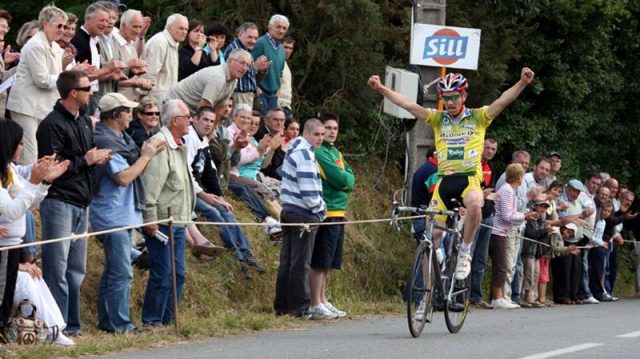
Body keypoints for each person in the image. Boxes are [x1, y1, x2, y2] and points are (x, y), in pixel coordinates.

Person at [368, 67, 536, 280]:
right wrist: (382, 88)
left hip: (468, 180)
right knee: (432, 239)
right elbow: (408, 104)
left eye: (454, 97)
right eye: (445, 98)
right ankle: (425, 298)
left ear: (464, 96)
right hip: (444, 182)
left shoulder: (478, 117)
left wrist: (522, 82)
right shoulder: (438, 119)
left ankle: (465, 251)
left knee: (476, 202)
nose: (449, 102)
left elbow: (502, 101)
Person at [36, 70, 112, 337]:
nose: (91, 91)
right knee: (56, 267)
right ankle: (56, 327)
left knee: (76, 269)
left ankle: (72, 326)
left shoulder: (82, 121)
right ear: (73, 93)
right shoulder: (51, 124)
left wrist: (93, 160)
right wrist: (86, 161)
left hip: (82, 201)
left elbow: (83, 158)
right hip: (59, 200)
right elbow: (51, 168)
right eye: (86, 87)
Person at [91, 93, 166, 333]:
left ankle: (109, 322)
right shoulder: (106, 140)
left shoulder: (121, 138)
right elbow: (123, 177)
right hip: (113, 215)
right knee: (122, 272)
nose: (131, 115)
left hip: (121, 213)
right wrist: (146, 156)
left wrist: (146, 155)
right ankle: (120, 324)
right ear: (114, 115)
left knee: (114, 270)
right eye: (127, 111)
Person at [0, 119, 69, 338]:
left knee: (6, 295)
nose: (22, 146)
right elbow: (11, 210)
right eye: (19, 143)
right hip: (4, 246)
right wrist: (34, 181)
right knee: (2, 296)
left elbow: (29, 202)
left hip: (13, 244)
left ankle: (53, 330)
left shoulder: (8, 170)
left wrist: (44, 181)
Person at [184, 105, 265, 279]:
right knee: (213, 211)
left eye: (211, 121)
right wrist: (204, 195)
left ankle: (246, 253)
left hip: (198, 188)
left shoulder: (203, 139)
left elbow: (210, 171)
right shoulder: (190, 137)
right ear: (195, 119)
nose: (208, 124)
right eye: (205, 120)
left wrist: (219, 196)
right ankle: (238, 256)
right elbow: (186, 174)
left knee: (225, 209)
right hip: (187, 190)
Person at [140, 99, 194, 326]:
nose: (191, 120)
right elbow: (151, 186)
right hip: (162, 221)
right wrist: (150, 219)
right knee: (163, 274)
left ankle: (169, 320)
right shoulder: (161, 144)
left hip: (178, 220)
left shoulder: (177, 143)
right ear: (174, 121)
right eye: (187, 117)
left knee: (177, 274)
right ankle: (152, 321)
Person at [274, 118, 327, 317]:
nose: (320, 138)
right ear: (306, 133)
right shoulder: (304, 154)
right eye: (316, 134)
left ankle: (282, 306)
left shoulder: (293, 150)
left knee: (287, 260)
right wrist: (321, 209)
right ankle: (299, 307)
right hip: (303, 213)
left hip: (288, 209)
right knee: (300, 262)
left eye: (322, 134)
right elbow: (308, 189)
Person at [6, 5, 69, 165]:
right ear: (45, 24)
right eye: (59, 25)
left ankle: (35, 188)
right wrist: (68, 76)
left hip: (42, 107)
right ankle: (19, 189)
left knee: (42, 153)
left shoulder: (55, 46)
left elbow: (56, 76)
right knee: (28, 156)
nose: (63, 30)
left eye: (65, 26)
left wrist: (72, 73)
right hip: (26, 107)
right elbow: (42, 80)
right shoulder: (35, 45)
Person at [308, 114, 355, 320]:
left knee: (329, 262)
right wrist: (346, 181)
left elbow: (350, 177)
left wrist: (347, 181)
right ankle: (315, 302)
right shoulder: (320, 152)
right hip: (327, 211)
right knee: (320, 260)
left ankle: (324, 299)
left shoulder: (335, 151)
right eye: (328, 128)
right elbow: (338, 178)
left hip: (339, 211)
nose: (332, 131)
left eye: (335, 127)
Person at [489, 164, 539, 309]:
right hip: (498, 231)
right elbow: (506, 215)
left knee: (503, 266)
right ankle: (498, 298)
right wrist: (525, 216)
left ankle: (503, 296)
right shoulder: (507, 191)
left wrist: (524, 214)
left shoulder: (511, 190)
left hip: (504, 231)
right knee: (502, 266)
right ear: (518, 176)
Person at [168, 48, 252, 113]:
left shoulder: (234, 81)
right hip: (175, 105)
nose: (244, 68)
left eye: (247, 65)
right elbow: (204, 107)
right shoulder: (218, 77)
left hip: (190, 110)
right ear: (229, 61)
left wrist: (212, 130)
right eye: (241, 63)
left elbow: (220, 107)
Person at [470, 138, 498, 309]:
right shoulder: (472, 165)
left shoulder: (492, 167)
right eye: (487, 147)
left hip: (488, 215)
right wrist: (481, 193)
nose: (490, 151)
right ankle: (461, 295)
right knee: (467, 255)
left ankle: (476, 296)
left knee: (481, 259)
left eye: (493, 149)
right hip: (473, 215)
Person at [141, 13, 188, 103]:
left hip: (166, 98)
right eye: (181, 28)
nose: (184, 32)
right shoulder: (160, 42)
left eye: (186, 29)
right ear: (169, 27)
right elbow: (150, 73)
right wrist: (143, 98)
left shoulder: (173, 42)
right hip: (154, 100)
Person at [223, 22, 269, 107]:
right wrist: (255, 67)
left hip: (245, 96)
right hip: (238, 96)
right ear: (240, 35)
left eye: (255, 38)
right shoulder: (235, 50)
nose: (253, 41)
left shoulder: (245, 50)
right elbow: (234, 74)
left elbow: (248, 76)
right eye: (250, 37)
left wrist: (260, 70)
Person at [252, 14, 290, 116]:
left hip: (273, 97)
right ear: (270, 27)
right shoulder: (260, 43)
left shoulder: (282, 49)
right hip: (260, 94)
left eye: (284, 28)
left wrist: (277, 93)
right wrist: (256, 88)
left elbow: (280, 73)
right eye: (278, 26)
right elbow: (249, 67)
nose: (281, 30)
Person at [255, 107, 287, 180]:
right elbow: (270, 166)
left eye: (282, 120)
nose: (279, 123)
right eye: (276, 120)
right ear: (266, 120)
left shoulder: (275, 134)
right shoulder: (262, 134)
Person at [278, 36, 295, 120]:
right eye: (285, 47)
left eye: (290, 48)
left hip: (286, 105)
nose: (288, 51)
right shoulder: (276, 62)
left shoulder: (285, 64)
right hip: (278, 105)